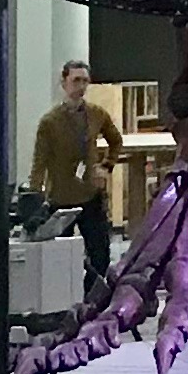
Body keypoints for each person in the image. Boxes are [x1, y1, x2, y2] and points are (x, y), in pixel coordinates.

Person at [29, 59, 123, 298]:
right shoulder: (50, 122)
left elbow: (115, 140)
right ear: (64, 83)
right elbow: (39, 163)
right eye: (76, 80)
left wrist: (106, 166)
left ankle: (92, 298)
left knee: (99, 253)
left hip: (90, 195)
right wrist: (35, 196)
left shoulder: (96, 114)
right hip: (61, 198)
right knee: (60, 256)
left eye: (85, 81)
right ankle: (63, 300)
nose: (81, 86)